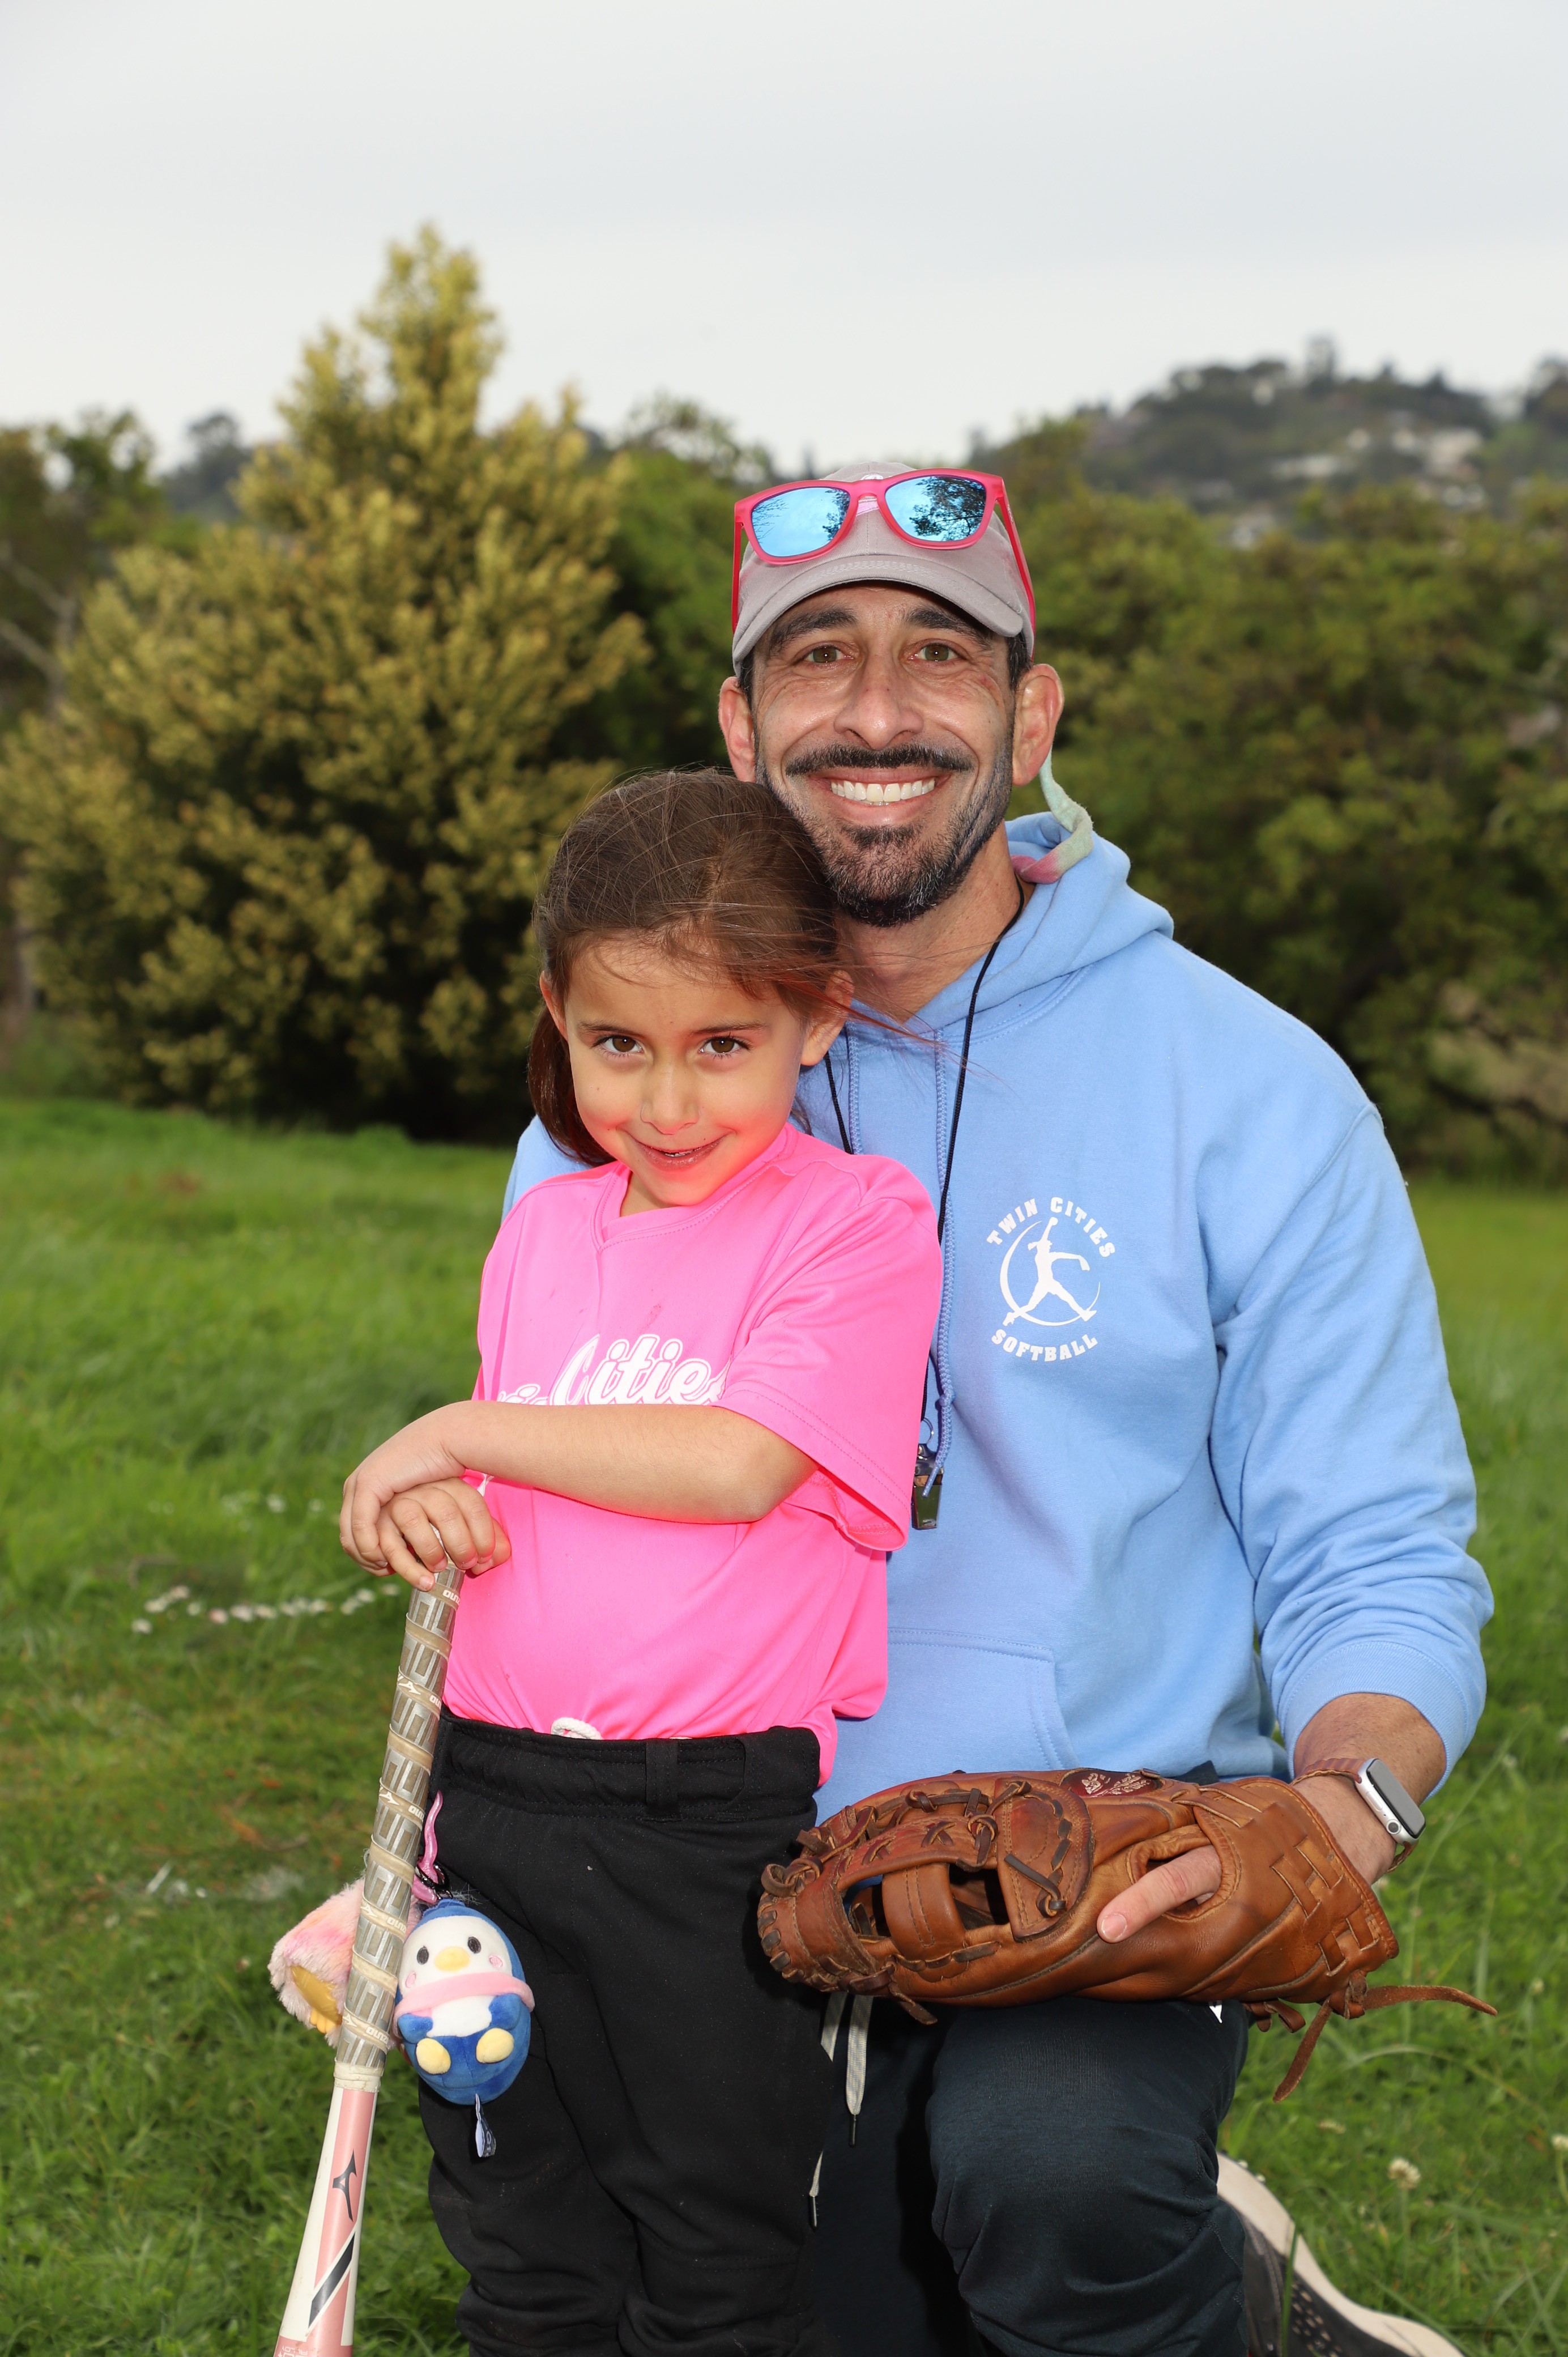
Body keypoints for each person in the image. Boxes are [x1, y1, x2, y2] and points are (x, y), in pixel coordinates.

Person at [502, 472, 1492, 2357]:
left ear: (1031, 716)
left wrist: (1339, 1810)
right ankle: (1172, 2263)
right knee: (678, 2288)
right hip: (708, 1842)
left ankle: (1170, 2262)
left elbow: (1375, 1548)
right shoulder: (633, 1105)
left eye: (938, 657)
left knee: (1052, 2193)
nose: (877, 712)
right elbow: (552, 1516)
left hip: (1096, 1857)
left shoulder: (1257, 1089)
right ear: (742, 731)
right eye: (818, 659)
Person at [339, 770, 943, 2357]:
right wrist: (441, 1508)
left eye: (722, 1045)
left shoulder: (855, 1226)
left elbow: (740, 1463)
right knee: (520, 2241)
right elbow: (515, 1501)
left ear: (818, 1019)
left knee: (711, 2252)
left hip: (701, 1830)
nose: (667, 1103)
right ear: (559, 1014)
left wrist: (457, 1431)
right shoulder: (546, 1232)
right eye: (618, 1045)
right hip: (494, 1799)